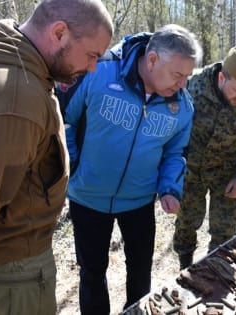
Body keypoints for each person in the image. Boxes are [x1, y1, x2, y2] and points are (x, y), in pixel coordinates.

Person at [0, 1, 113, 314]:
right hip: (11, 270)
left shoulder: (23, 67)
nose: (93, 68)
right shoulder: (14, 93)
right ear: (60, 32)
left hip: (9, 265)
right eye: (92, 55)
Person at [63, 24, 202, 313]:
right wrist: (73, 167)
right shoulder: (98, 72)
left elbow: (176, 152)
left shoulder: (182, 106)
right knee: (92, 273)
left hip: (139, 202)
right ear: (151, 60)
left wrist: (170, 188)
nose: (183, 85)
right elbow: (64, 121)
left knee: (140, 274)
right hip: (87, 197)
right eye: (178, 75)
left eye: (187, 76)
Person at [172, 45, 236, 269]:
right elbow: (171, 123)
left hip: (227, 174)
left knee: (224, 233)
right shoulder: (192, 85)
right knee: (186, 224)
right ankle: (184, 270)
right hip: (190, 170)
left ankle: (215, 272)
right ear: (220, 77)